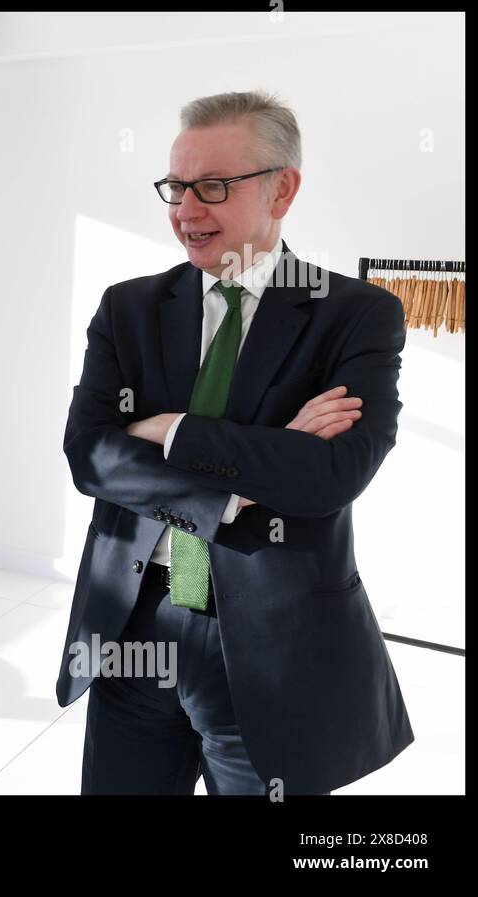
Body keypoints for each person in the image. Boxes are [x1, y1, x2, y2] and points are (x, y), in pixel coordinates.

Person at [58, 91, 413, 795]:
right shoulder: (128, 308)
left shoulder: (355, 314)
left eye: (212, 187)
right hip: (134, 625)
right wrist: (250, 470)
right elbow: (88, 453)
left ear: (283, 188)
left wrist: (172, 431)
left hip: (272, 650)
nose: (186, 210)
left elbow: (333, 475)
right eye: (175, 187)